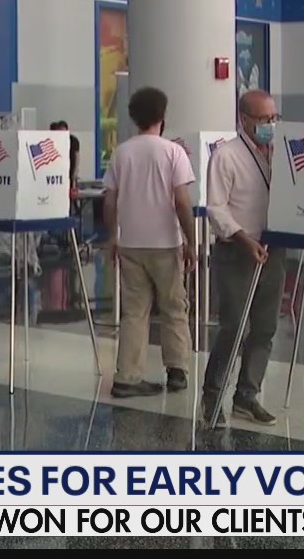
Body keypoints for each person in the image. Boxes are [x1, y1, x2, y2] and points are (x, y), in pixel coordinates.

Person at [101, 88, 196, 397]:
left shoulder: (122, 153)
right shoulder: (173, 152)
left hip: (130, 244)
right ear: (162, 116)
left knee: (134, 312)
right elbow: (182, 202)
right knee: (173, 308)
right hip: (165, 244)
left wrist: (112, 236)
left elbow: (110, 201)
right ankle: (177, 370)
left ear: (133, 117)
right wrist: (191, 241)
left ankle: (127, 377)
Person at [201, 90, 284, 427]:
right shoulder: (226, 155)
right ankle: (213, 397)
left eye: (274, 118)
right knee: (234, 327)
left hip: (273, 248)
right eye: (263, 119)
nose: (270, 125)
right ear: (244, 119)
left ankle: (247, 395)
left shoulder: (280, 154)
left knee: (265, 326)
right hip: (237, 249)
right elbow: (216, 208)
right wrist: (243, 238)